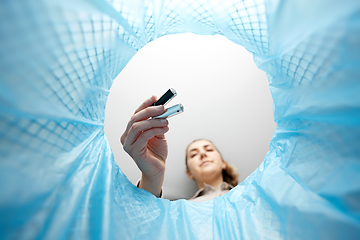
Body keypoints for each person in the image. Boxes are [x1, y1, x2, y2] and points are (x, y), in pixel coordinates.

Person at [120, 96, 238, 202]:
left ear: (223, 163)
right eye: (193, 155)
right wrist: (152, 176)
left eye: (209, 150)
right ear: (189, 173)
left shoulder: (251, 194)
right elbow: (143, 222)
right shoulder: (180, 211)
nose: (202, 154)